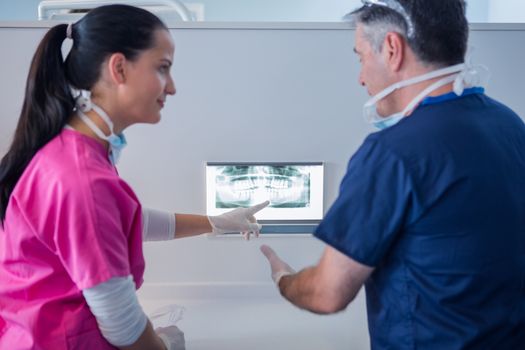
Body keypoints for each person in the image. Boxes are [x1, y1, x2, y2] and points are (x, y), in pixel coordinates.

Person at [0, 5, 267, 350]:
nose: (171, 88)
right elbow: (122, 325)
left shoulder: (72, 150)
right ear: (119, 68)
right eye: (163, 68)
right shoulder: (81, 179)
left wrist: (215, 222)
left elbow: (121, 223)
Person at [260, 0, 525, 349]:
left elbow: (327, 293)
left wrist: (284, 279)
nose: (361, 77)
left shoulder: (393, 152)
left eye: (360, 57)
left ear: (392, 48)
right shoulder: (509, 126)